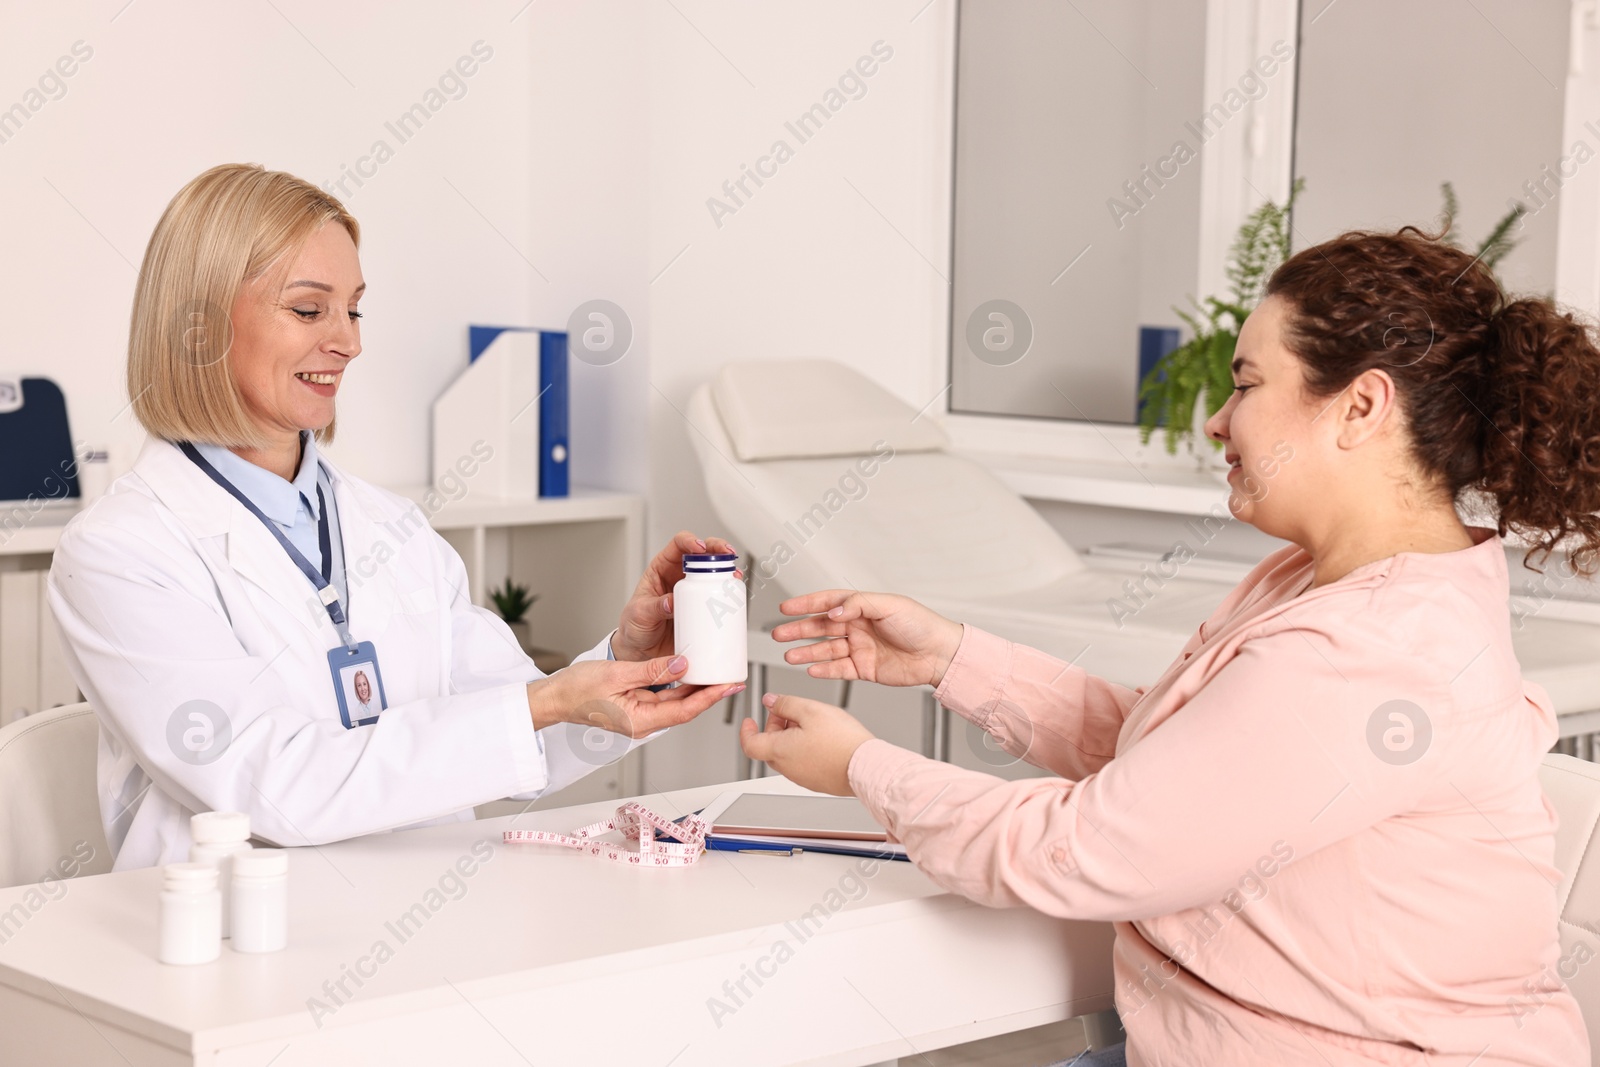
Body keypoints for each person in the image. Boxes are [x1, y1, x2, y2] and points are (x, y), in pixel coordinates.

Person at [741, 227, 1596, 1065]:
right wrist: (951, 659)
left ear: (1362, 407)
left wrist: (861, 767)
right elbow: (1178, 767)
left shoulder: (1376, 650)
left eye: (1247, 384)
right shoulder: (1308, 579)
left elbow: (1084, 851)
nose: (1218, 420)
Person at [49, 163, 744, 871]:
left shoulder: (390, 525)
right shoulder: (119, 551)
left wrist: (628, 663)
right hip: (240, 946)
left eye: (353, 309)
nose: (348, 342)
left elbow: (520, 729)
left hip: (433, 920)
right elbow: (275, 788)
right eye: (309, 309)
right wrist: (544, 702)